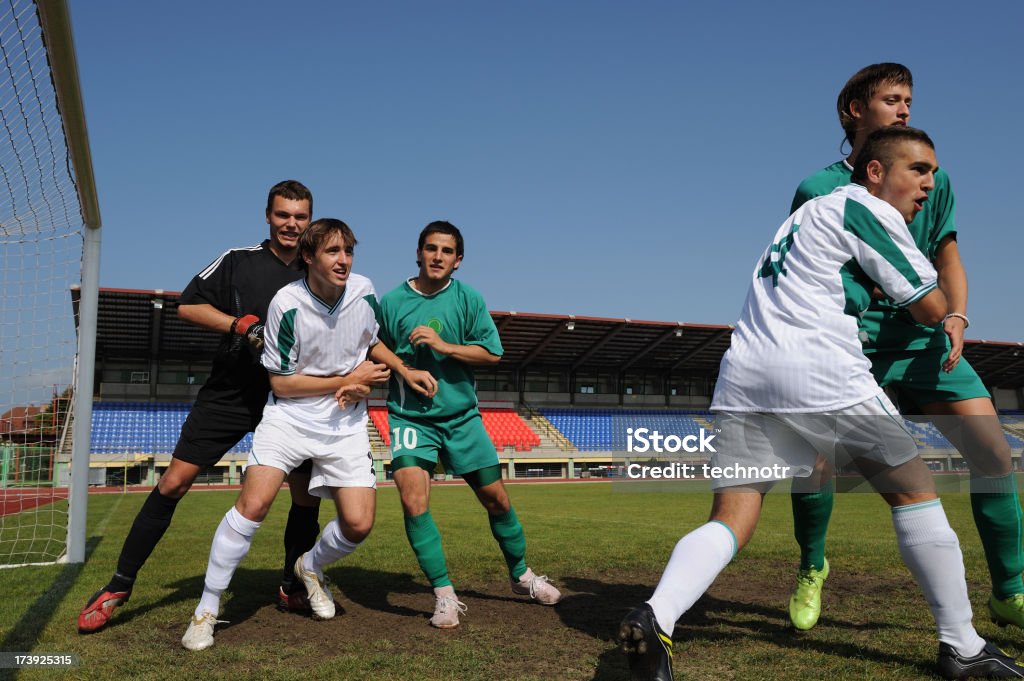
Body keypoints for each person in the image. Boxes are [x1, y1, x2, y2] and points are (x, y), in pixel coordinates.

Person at [618, 127, 1024, 681]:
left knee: (733, 517)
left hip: (744, 372)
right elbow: (930, 306)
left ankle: (656, 616)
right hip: (818, 369)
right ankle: (964, 646)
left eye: (932, 171)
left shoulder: (802, 216)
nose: (929, 183)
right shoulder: (865, 208)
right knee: (916, 495)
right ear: (875, 172)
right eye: (918, 169)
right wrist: (935, 305)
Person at [786, 63, 1022, 632]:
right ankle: (812, 566)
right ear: (854, 110)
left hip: (925, 340)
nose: (905, 107)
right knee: (816, 464)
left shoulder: (932, 178)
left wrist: (957, 315)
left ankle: (1009, 590)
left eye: (909, 99)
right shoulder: (818, 189)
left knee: (992, 454)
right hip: (851, 347)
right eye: (892, 98)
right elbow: (800, 268)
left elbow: (948, 258)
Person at [78, 180, 325, 633]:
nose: (292, 224)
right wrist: (240, 325)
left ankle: (291, 582)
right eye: (283, 215)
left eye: (300, 216)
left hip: (289, 398)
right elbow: (188, 306)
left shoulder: (315, 273)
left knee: (305, 495)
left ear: (310, 220)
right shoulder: (238, 260)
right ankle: (118, 583)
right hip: (231, 392)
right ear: (268, 216)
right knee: (174, 482)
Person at [181, 218, 437, 650]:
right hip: (291, 418)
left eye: (348, 252)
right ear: (308, 258)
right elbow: (282, 384)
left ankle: (310, 566)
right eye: (333, 252)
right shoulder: (286, 303)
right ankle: (207, 608)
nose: (344, 261)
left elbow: (370, 341)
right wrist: (346, 380)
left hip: (345, 423)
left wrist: (403, 370)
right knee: (253, 504)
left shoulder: (364, 290)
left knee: (358, 525)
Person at [377, 221, 561, 629]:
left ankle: (521, 575)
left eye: (446, 251)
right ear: (418, 253)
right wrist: (394, 371)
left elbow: (492, 353)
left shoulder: (469, 299)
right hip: (410, 417)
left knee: (497, 500)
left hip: (462, 418)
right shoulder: (390, 302)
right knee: (413, 502)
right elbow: (375, 349)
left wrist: (444, 347)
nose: (437, 256)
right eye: (430, 248)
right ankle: (444, 594)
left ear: (458, 260)